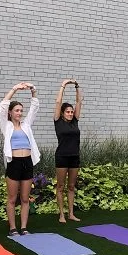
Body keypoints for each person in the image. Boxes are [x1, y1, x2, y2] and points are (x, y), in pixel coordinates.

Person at [0, 82, 40, 235]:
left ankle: (23, 227)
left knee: (24, 198)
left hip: (27, 163)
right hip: (14, 163)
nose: (19, 113)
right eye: (16, 110)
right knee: (11, 198)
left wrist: (32, 90)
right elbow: (3, 105)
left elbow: (34, 107)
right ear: (10, 113)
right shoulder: (7, 126)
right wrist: (15, 89)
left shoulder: (26, 125)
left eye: (21, 110)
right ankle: (12, 228)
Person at [53, 79, 83, 223]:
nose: (70, 113)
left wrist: (77, 87)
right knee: (60, 186)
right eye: (68, 112)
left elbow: (79, 103)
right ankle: (61, 214)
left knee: (71, 186)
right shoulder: (58, 121)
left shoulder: (75, 122)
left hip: (74, 157)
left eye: (71, 112)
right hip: (62, 157)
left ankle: (71, 213)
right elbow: (58, 102)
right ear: (63, 113)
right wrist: (63, 85)